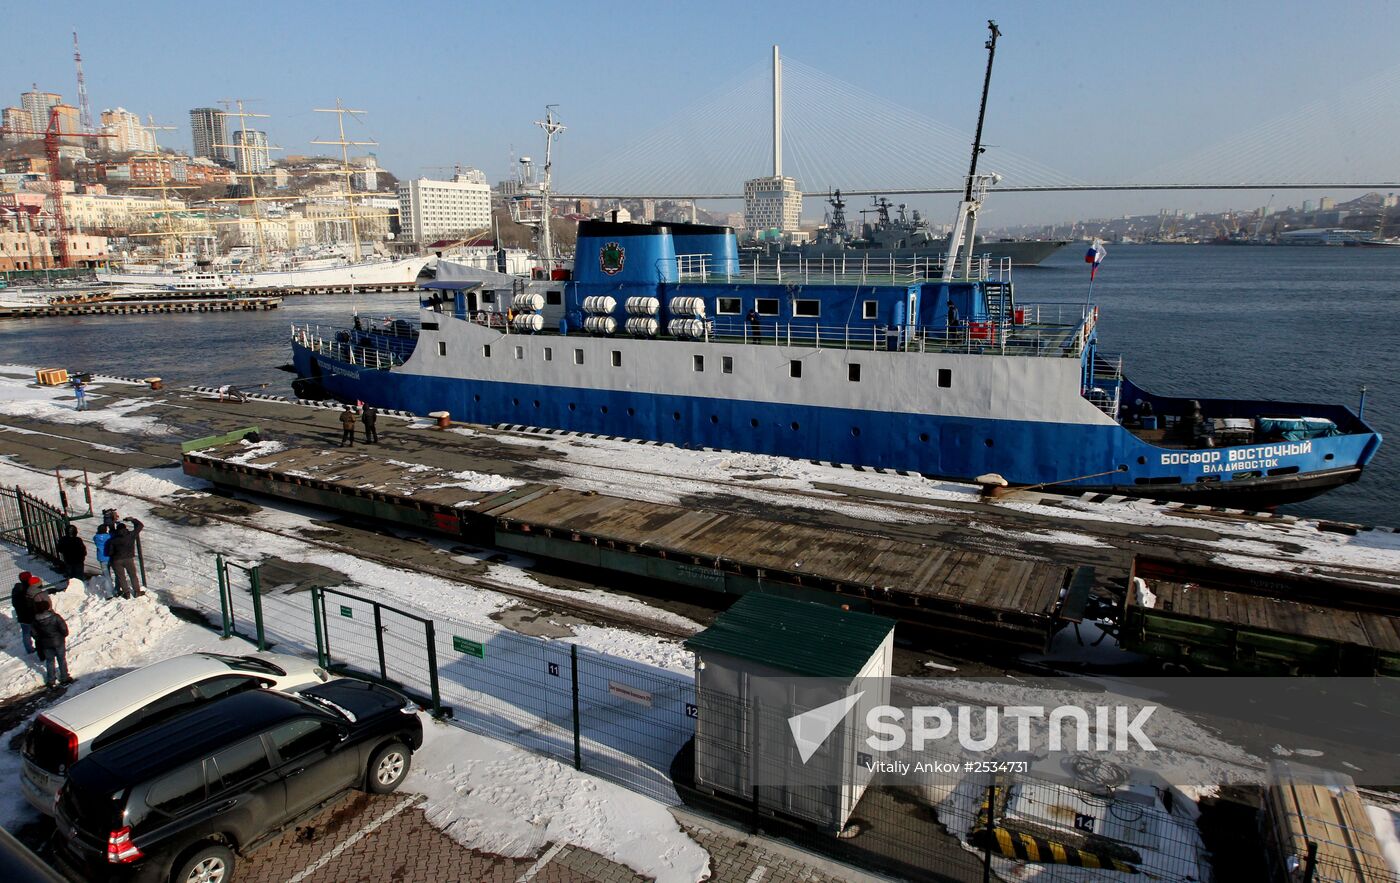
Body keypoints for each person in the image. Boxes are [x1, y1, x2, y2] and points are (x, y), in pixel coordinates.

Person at [31, 594, 71, 688]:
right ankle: (64, 678)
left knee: (49, 661)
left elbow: (34, 634)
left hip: (45, 644)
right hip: (58, 642)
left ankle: (51, 680)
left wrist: (40, 640)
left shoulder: (35, 620)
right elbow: (64, 629)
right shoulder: (55, 617)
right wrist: (62, 636)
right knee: (61, 659)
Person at [107, 516, 144, 599]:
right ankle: (137, 591)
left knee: (121, 577)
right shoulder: (131, 535)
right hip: (128, 559)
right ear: (125, 529)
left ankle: (126, 593)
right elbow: (140, 525)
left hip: (116, 560)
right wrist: (132, 520)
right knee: (133, 575)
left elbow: (110, 552)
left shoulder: (113, 540)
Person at [10, 570, 36, 655]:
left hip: (21, 616)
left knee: (26, 633)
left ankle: (29, 649)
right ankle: (40, 646)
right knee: (36, 631)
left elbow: (14, 603)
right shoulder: (29, 589)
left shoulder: (16, 589)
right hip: (31, 615)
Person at [93, 523, 113, 594]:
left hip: (102, 558)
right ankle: (116, 589)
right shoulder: (109, 536)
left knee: (106, 576)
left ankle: (109, 593)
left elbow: (95, 537)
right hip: (110, 557)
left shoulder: (95, 537)